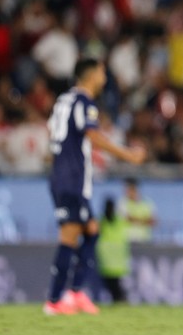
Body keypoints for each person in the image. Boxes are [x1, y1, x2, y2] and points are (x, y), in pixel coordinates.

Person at [44, 57, 145, 315]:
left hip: (66, 176)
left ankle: (75, 292)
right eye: (101, 71)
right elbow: (92, 135)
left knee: (91, 230)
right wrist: (127, 155)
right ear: (91, 75)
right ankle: (55, 300)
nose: (104, 75)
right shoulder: (84, 102)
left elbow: (54, 132)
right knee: (69, 236)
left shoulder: (63, 101)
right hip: (72, 179)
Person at [96, 197, 130, 303]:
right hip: (118, 261)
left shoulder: (101, 222)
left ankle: (120, 301)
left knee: (114, 287)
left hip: (107, 261)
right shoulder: (120, 221)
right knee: (116, 287)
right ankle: (121, 301)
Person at [118, 177, 156, 243]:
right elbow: (128, 218)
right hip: (128, 240)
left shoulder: (147, 202)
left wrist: (138, 220)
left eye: (129, 189)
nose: (126, 191)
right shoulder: (122, 202)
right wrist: (144, 221)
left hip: (145, 239)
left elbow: (153, 221)